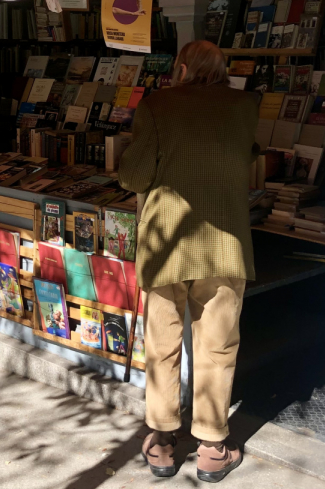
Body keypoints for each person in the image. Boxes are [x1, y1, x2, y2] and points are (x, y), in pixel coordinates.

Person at [118, 40, 258, 483]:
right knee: (218, 345)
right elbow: (248, 155)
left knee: (162, 342)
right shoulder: (246, 106)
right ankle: (213, 448)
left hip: (167, 243)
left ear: (180, 69)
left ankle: (162, 441)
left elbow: (133, 176)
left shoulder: (158, 105)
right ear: (222, 69)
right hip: (224, 243)